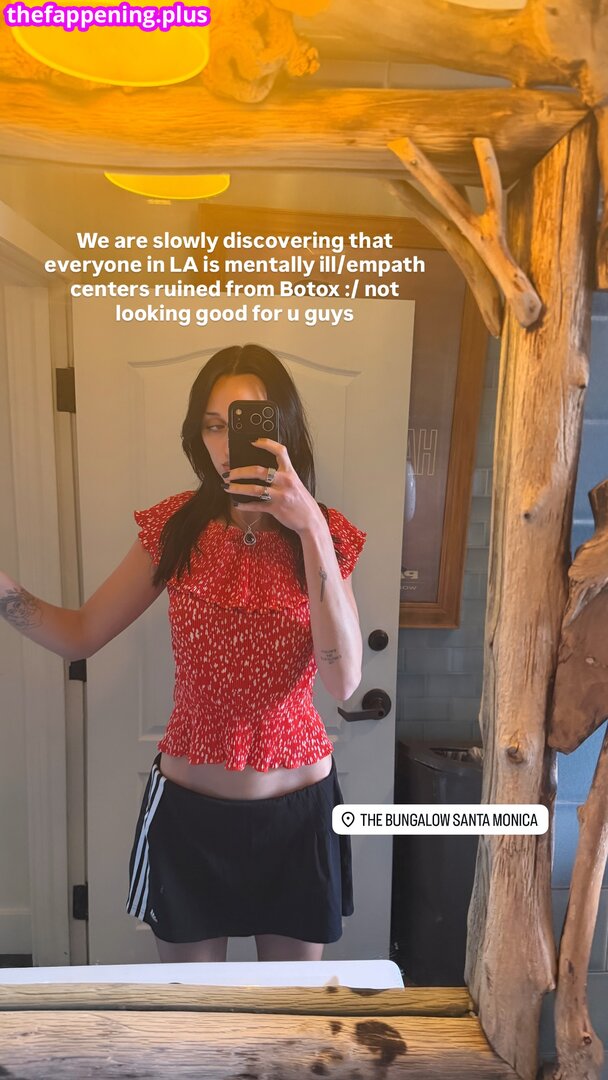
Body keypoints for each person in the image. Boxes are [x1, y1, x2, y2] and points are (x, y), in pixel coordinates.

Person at [0, 343, 366, 963]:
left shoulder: (325, 533)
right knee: (192, 1012)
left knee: (287, 1014)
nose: (227, 444)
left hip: (300, 820)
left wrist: (309, 528)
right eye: (213, 425)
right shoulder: (175, 527)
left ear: (282, 427)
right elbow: (80, 633)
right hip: (189, 819)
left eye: (245, 423)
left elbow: (344, 681)